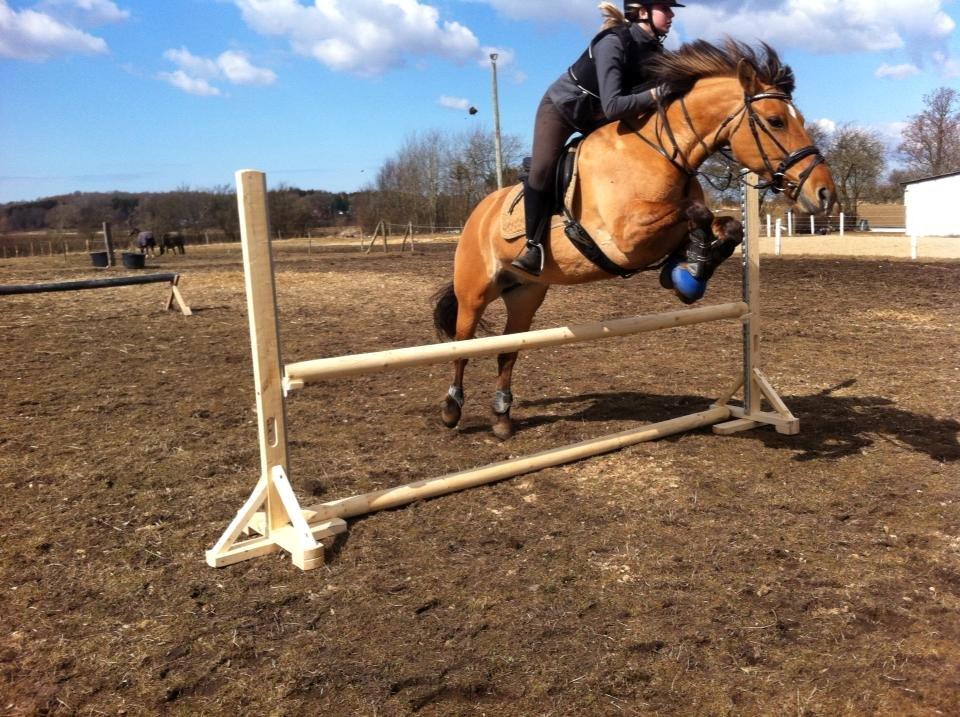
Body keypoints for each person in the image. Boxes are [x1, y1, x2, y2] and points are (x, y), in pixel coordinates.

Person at [512, 1, 684, 276]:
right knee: (543, 169)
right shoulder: (613, 43)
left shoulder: (656, 52)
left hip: (599, 116)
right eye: (666, 8)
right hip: (562, 108)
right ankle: (533, 246)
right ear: (643, 12)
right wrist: (656, 94)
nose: (672, 14)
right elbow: (615, 105)